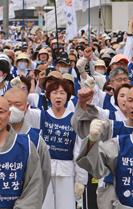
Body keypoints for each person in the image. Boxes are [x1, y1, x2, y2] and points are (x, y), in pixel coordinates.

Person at [23, 78, 87, 209]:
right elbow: (23, 113)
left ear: (68, 96)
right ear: (48, 95)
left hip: (67, 171)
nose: (58, 96)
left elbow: (79, 150)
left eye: (62, 93)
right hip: (44, 170)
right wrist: (20, 91)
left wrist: (81, 179)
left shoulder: (75, 119)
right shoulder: (40, 116)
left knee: (66, 206)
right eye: (54, 92)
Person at [3, 87, 52, 197]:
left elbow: (44, 174)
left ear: (26, 108)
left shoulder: (36, 139)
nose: (12, 108)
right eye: (9, 104)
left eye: (18, 104)